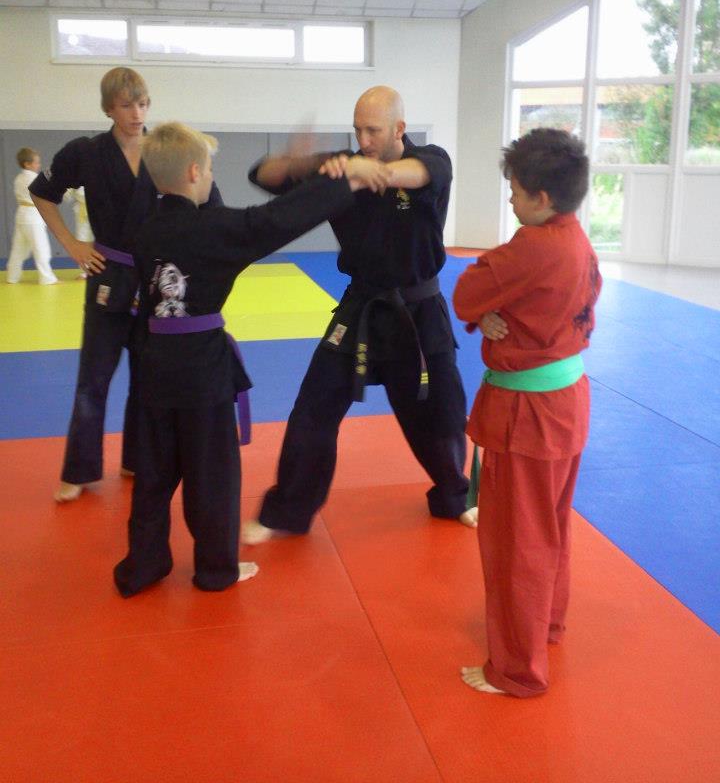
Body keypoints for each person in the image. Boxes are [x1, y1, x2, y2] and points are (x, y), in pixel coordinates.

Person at [113, 121, 381, 596]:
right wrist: (344, 179)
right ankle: (216, 569)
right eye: (211, 169)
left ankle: (144, 563)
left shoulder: (145, 229)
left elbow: (195, 225)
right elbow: (278, 219)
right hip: (201, 372)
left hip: (151, 366)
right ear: (196, 171)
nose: (213, 177)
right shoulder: (216, 230)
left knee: (154, 474)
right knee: (211, 473)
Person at [242, 85, 475, 546]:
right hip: (361, 307)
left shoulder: (431, 160)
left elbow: (410, 173)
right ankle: (287, 511)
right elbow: (263, 176)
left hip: (420, 309)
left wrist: (362, 168)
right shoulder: (343, 167)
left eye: (373, 130)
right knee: (313, 409)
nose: (364, 139)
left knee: (441, 414)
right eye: (357, 130)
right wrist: (300, 162)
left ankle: (455, 495)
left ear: (399, 129)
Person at [452, 128, 602, 698]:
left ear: (541, 198)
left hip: (529, 414)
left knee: (517, 540)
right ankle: (547, 628)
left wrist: (490, 307)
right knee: (549, 528)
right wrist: (499, 311)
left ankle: (516, 667)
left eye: (515, 191)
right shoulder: (577, 241)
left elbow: (467, 293)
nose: (511, 200)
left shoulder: (533, 246)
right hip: (567, 401)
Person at [30, 67, 222, 504]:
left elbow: (210, 205)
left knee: (149, 377)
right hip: (107, 273)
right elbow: (44, 193)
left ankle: (137, 459)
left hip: (157, 279)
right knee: (93, 377)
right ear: (108, 108)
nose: (136, 113)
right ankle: (79, 468)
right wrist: (72, 244)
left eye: (142, 103)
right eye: (125, 105)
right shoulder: (86, 152)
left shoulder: (168, 151)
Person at [6, 148, 58, 285]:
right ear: (27, 164)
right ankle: (47, 278)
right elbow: (47, 192)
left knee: (18, 250)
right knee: (41, 248)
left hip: (22, 216)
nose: (38, 165)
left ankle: (12, 277)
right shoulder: (33, 178)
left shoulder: (19, 178)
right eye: (36, 163)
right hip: (33, 218)